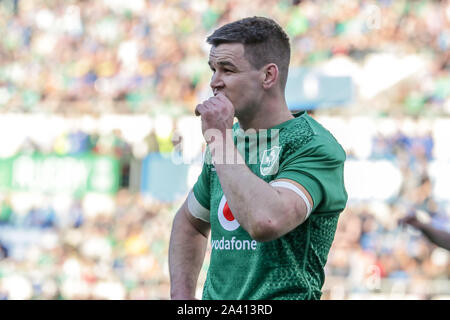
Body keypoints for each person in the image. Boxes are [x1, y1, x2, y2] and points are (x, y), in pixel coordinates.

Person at [168, 16, 348, 300]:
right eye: (213, 70)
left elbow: (266, 222)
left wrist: (218, 139)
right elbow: (189, 222)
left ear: (268, 76)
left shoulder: (312, 145)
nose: (215, 82)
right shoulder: (229, 140)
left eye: (227, 70)